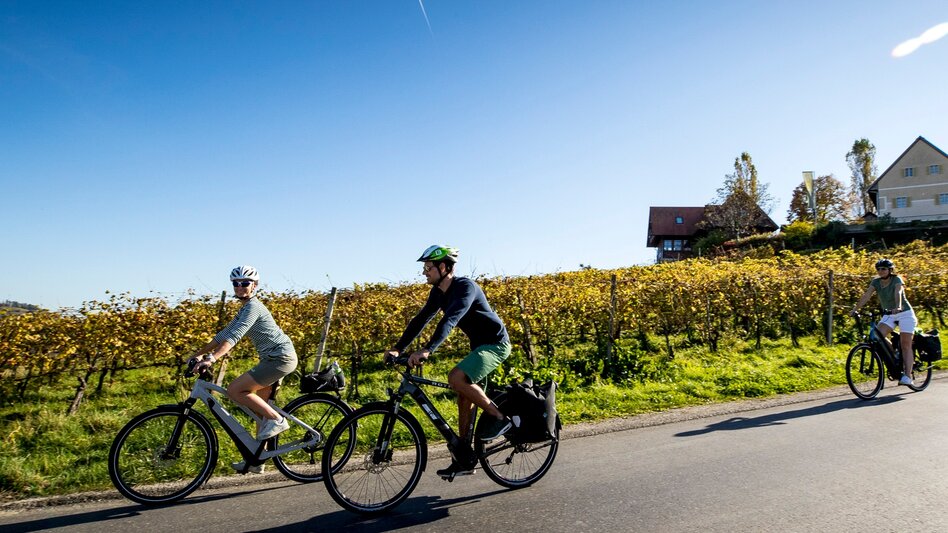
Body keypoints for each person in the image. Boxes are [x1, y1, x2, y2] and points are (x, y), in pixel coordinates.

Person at [385, 245, 513, 478]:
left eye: (428, 267)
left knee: (456, 377)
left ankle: (499, 418)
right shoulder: (438, 293)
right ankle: (465, 456)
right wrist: (397, 348)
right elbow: (421, 319)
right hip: (479, 347)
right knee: (463, 396)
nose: (425, 272)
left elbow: (451, 320)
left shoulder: (466, 288)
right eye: (425, 267)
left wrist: (427, 350)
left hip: (496, 344)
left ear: (444, 267)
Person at [190, 266, 298, 473]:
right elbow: (223, 334)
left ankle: (278, 420)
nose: (240, 287)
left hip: (279, 359)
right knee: (261, 410)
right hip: (273, 358)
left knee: (235, 390)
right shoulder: (244, 308)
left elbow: (235, 336)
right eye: (236, 283)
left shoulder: (253, 307)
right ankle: (258, 461)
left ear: (254, 286)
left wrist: (212, 358)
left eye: (245, 283)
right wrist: (196, 354)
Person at [851, 258, 918, 386]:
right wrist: (855, 309)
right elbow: (866, 295)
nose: (881, 271)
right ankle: (894, 356)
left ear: (890, 270)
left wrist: (898, 307)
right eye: (879, 269)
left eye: (884, 269)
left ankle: (908, 376)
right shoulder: (876, 282)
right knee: (877, 336)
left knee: (905, 344)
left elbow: (898, 292)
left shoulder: (897, 280)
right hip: (889, 314)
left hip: (904, 314)